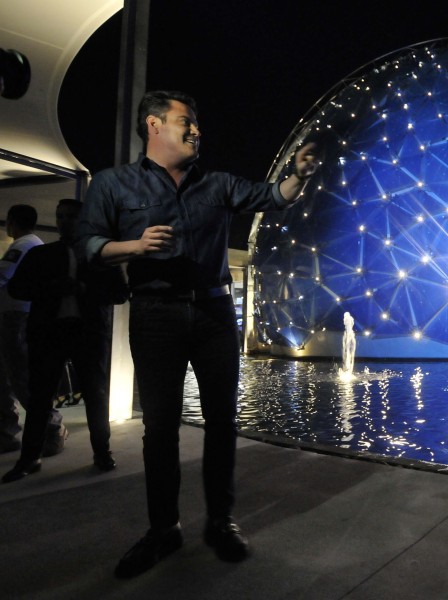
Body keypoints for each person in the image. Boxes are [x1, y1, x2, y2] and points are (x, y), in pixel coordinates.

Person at [77, 90, 319, 578]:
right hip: (155, 315)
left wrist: (298, 175)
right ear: (153, 125)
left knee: (221, 423)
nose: (196, 130)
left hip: (212, 317)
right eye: (185, 121)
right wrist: (134, 245)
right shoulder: (112, 184)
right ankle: (163, 529)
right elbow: (87, 244)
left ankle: (221, 521)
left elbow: (271, 197)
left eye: (197, 124)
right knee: (160, 429)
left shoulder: (218, 183)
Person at [2, 199, 127, 483]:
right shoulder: (42, 255)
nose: (65, 221)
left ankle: (101, 452)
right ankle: (30, 457)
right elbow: (18, 288)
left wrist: (84, 289)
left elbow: (120, 293)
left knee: (95, 395)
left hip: (87, 335)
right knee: (40, 398)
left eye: (71, 216)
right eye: (61, 216)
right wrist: (50, 288)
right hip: (50, 334)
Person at [0, 205, 66, 455]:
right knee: (11, 378)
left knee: (18, 378)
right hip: (18, 318)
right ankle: (9, 432)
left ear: (11, 222)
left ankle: (52, 428)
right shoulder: (33, 244)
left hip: (15, 320)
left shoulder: (22, 246)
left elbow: (1, 275)